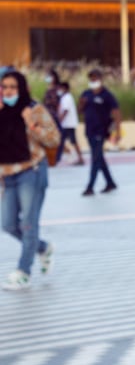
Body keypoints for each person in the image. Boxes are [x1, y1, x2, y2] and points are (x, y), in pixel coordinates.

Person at [1, 71, 60, 290]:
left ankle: (23, 271)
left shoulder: (34, 110)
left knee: (28, 224)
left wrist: (31, 125)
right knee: (7, 224)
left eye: (13, 87)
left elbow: (54, 139)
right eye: (4, 87)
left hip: (31, 171)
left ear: (22, 88)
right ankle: (43, 248)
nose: (8, 91)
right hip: (7, 174)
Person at [78, 69, 121, 196]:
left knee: (95, 158)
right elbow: (80, 110)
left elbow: (116, 112)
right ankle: (110, 182)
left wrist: (117, 132)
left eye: (95, 79)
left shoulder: (106, 95)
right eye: (91, 79)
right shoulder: (86, 94)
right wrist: (81, 104)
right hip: (89, 130)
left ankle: (90, 186)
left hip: (101, 130)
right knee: (99, 158)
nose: (93, 81)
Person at [56, 81, 85, 166]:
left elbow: (65, 110)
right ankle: (78, 157)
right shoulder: (65, 97)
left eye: (60, 88)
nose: (59, 90)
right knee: (66, 141)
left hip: (68, 124)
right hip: (67, 124)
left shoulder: (67, 97)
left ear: (65, 88)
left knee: (68, 141)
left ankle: (57, 158)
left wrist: (60, 120)